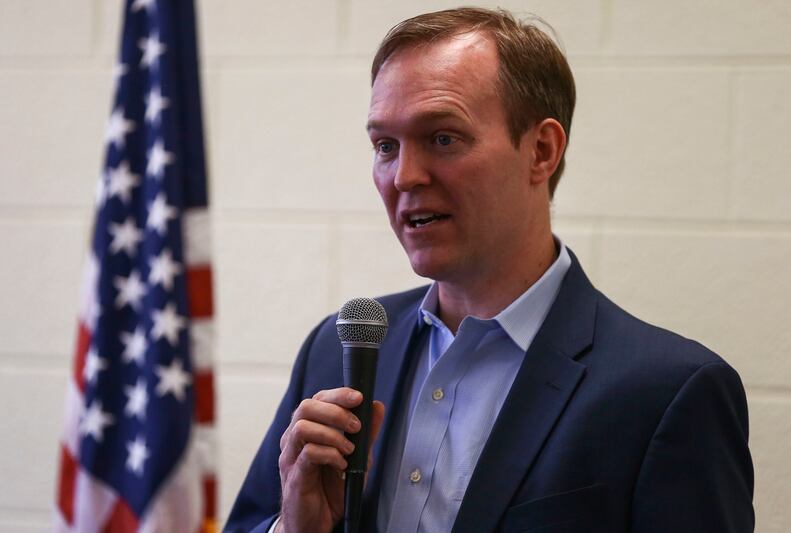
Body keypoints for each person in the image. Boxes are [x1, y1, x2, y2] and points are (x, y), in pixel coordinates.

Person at [225, 7, 754, 533]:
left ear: (541, 151)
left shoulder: (667, 393)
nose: (404, 176)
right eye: (385, 145)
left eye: (443, 138)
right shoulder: (340, 346)